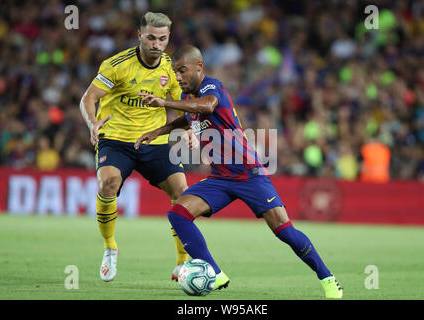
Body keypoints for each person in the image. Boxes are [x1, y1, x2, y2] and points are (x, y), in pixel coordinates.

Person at [135, 45, 343, 298]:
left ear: (199, 67)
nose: (178, 77)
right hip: (220, 177)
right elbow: (188, 118)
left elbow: (208, 107)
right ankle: (215, 272)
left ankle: (328, 278)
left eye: (182, 70)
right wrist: (158, 131)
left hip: (248, 173)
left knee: (284, 231)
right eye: (175, 72)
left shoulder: (212, 87)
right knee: (178, 213)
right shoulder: (189, 99)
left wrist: (165, 101)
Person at [79, 12, 191, 282]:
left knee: (183, 194)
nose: (156, 44)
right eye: (151, 37)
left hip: (154, 139)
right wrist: (93, 123)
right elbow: (88, 97)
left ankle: (182, 262)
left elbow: (181, 107)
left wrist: (190, 129)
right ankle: (109, 248)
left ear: (168, 39)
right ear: (140, 35)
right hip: (116, 139)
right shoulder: (117, 65)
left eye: (162, 39)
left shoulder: (170, 69)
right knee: (108, 183)